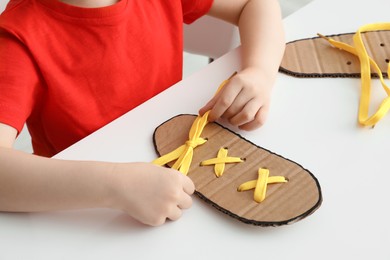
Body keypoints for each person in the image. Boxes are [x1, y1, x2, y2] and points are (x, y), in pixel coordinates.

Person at [0, 0, 285, 226]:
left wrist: (260, 71)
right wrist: (115, 185)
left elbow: (254, 3)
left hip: (187, 170)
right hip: (91, 211)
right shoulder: (16, 38)